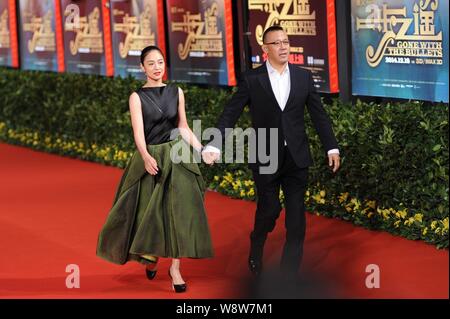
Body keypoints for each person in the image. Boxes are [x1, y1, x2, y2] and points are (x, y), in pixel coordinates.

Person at [202, 26, 340, 280]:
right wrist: (214, 144)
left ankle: (289, 275)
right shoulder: (252, 80)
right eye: (277, 43)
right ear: (265, 49)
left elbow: (319, 115)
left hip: (297, 157)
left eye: (286, 42)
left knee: (296, 220)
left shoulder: (303, 77)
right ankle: (257, 242)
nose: (284, 46)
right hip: (265, 156)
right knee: (270, 209)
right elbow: (230, 113)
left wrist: (331, 146)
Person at [96, 45, 213, 293]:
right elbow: (138, 133)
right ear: (142, 67)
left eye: (160, 62)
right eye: (151, 63)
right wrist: (146, 156)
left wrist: (202, 149)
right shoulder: (136, 97)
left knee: (180, 211)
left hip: (177, 155)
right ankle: (151, 255)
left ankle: (175, 268)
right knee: (150, 212)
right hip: (152, 158)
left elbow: (183, 125)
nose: (157, 67)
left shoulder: (176, 91)